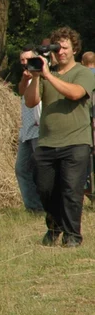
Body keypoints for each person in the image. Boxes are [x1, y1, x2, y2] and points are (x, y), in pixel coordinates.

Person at [20, 27, 95, 247]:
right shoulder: (46, 73)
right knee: (45, 189)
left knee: (71, 190)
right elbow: (31, 102)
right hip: (47, 142)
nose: (60, 51)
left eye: (65, 47)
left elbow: (75, 93)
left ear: (74, 49)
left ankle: (73, 236)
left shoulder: (82, 72)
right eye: (57, 47)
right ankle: (55, 226)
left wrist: (48, 76)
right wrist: (36, 78)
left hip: (76, 142)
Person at [16, 52, 43, 212]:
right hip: (26, 131)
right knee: (22, 169)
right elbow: (21, 92)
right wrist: (25, 79)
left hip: (38, 129)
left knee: (42, 171)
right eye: (22, 60)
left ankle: (46, 205)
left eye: (27, 59)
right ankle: (33, 207)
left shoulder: (42, 75)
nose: (24, 62)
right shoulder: (27, 76)